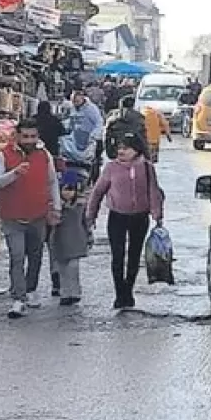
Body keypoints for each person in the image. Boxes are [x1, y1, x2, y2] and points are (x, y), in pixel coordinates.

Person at [0, 118, 62, 318]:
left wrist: (56, 207)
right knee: (17, 256)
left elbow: (52, 182)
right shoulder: (3, 156)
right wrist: (14, 173)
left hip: (38, 215)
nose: (29, 140)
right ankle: (18, 297)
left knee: (36, 255)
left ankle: (31, 290)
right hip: (12, 217)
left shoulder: (44, 154)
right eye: (25, 136)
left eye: (33, 136)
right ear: (17, 136)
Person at [86, 133, 164, 310]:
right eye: (119, 148)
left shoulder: (147, 168)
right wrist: (91, 215)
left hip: (140, 217)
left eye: (125, 148)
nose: (121, 151)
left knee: (134, 256)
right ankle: (119, 293)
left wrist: (157, 214)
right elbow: (97, 192)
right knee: (118, 256)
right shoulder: (111, 168)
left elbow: (153, 191)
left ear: (136, 150)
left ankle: (128, 289)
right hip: (117, 216)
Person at [50, 170, 90, 306]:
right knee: (62, 268)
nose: (67, 193)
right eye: (64, 189)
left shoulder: (80, 205)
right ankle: (65, 293)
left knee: (73, 267)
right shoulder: (55, 207)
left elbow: (85, 222)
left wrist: (89, 236)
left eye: (70, 189)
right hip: (60, 240)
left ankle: (75, 292)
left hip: (76, 240)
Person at [70, 90, 105, 162]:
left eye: (77, 101)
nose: (75, 104)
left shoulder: (91, 108)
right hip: (77, 138)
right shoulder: (73, 107)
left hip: (90, 139)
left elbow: (99, 122)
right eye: (73, 102)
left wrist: (94, 135)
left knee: (89, 161)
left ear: (82, 99)